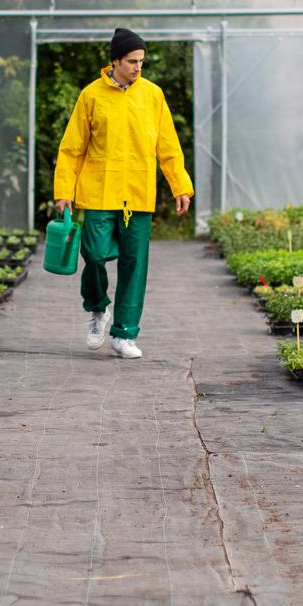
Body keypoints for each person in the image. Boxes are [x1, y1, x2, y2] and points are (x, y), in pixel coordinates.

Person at [52, 27, 193, 360]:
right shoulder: (91, 96)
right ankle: (98, 309)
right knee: (95, 254)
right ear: (114, 61)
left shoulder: (153, 95)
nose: (138, 67)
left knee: (134, 264)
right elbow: (72, 149)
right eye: (132, 61)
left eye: (142, 61)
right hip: (99, 192)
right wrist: (64, 191)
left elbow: (169, 147)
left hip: (138, 193)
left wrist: (180, 186)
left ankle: (125, 334)